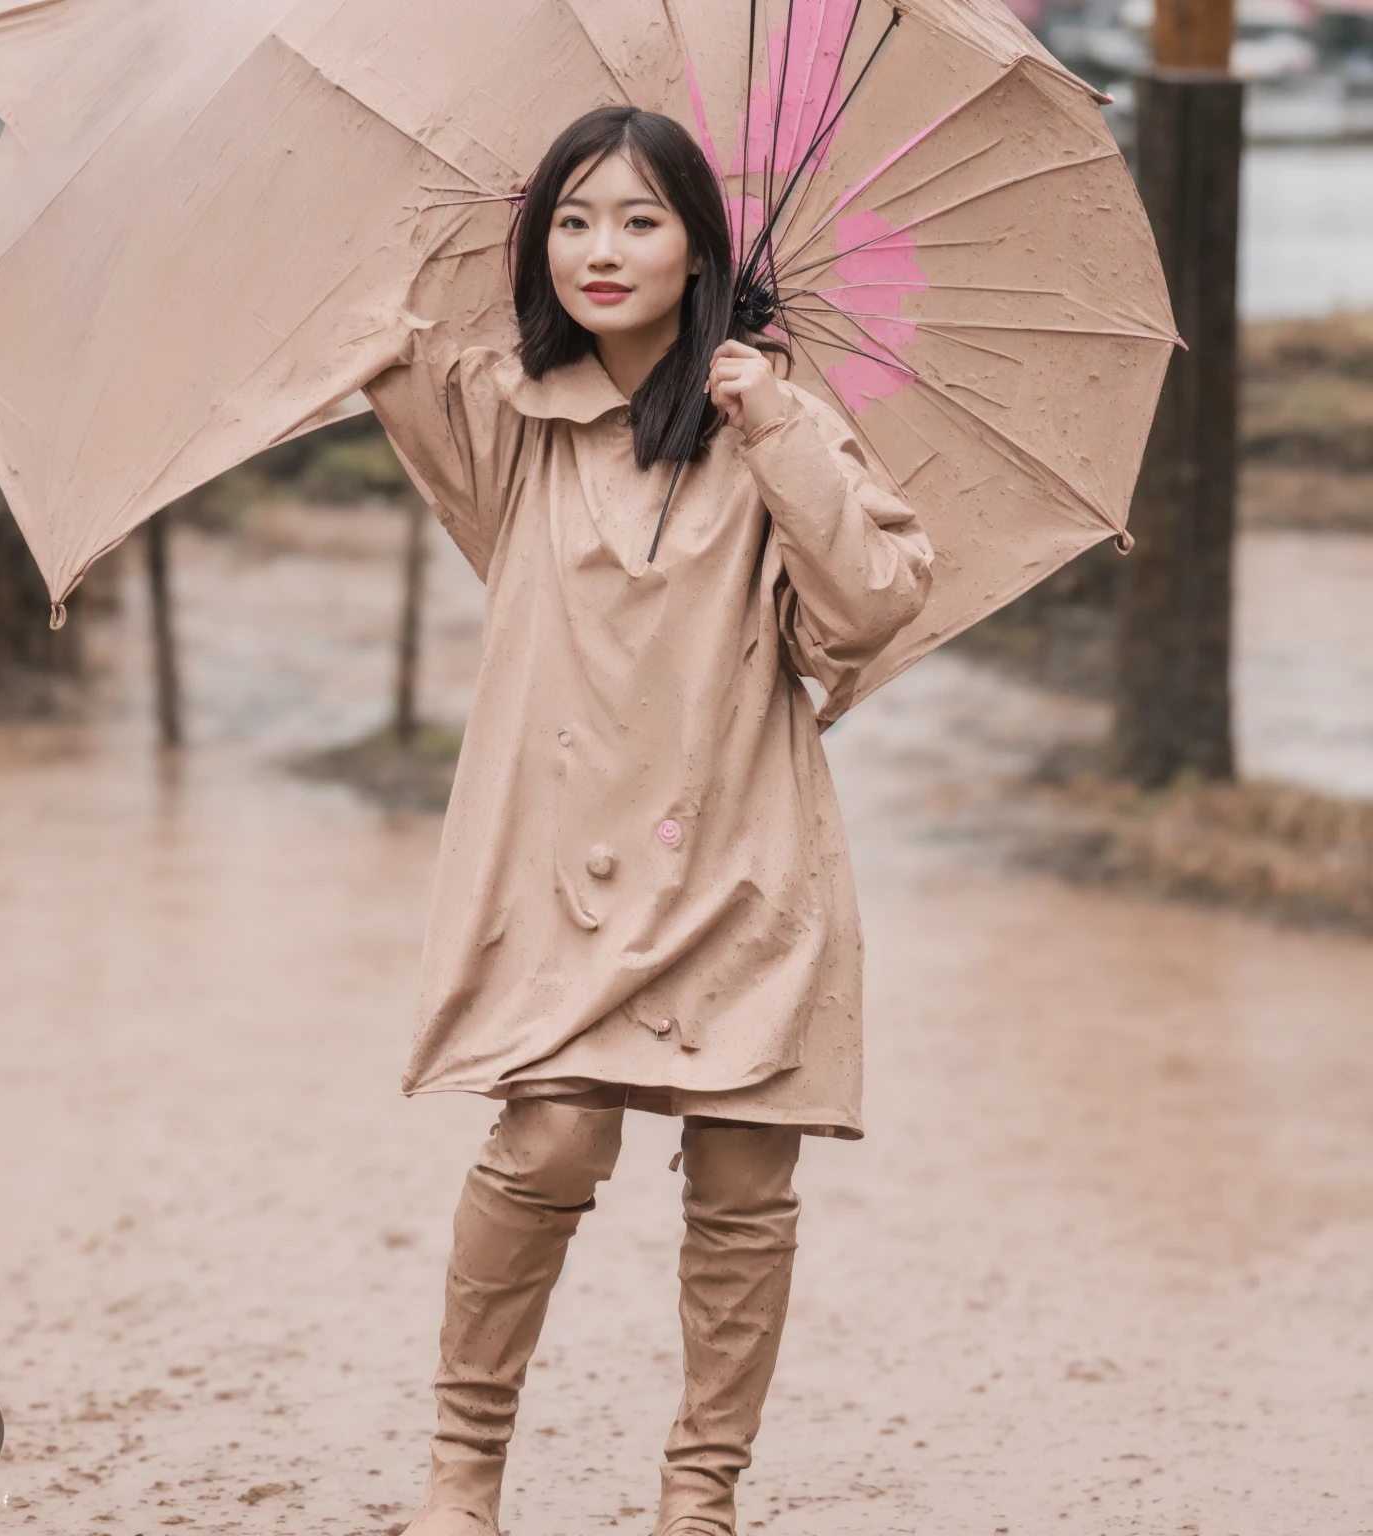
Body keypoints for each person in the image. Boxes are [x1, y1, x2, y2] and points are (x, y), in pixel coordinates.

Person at [362, 104, 934, 1536]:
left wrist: (777, 418)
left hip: (744, 851)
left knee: (745, 1189)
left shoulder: (781, 423)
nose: (599, 250)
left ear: (700, 247)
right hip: (560, 861)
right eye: (571, 219)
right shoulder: (507, 421)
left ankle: (700, 1501)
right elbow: (366, 331)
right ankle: (462, 1475)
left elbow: (868, 610)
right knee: (546, 1143)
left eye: (637, 219)